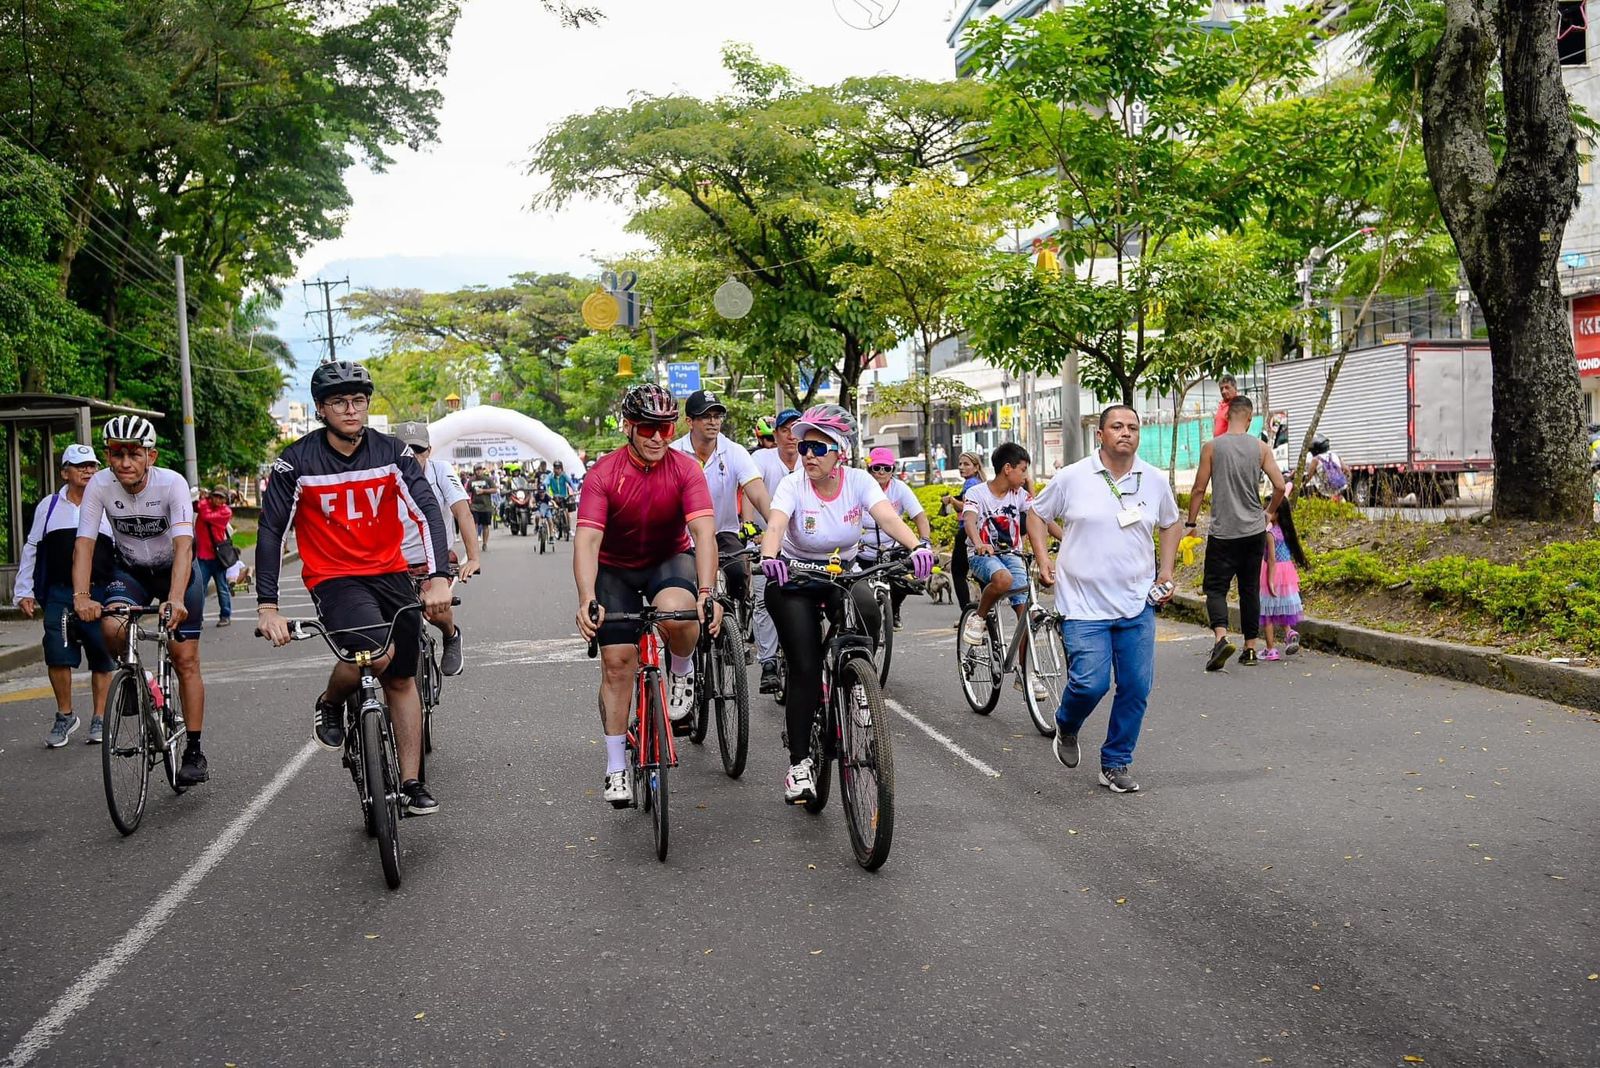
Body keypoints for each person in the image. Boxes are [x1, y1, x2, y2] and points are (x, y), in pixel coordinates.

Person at [256, 362, 453, 815]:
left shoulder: (393, 452)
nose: (351, 409)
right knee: (374, 656)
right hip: (335, 579)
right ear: (322, 409)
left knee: (401, 677)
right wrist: (268, 605)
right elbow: (270, 531)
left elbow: (425, 508)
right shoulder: (296, 461)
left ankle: (410, 782)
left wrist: (438, 576)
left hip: (390, 575)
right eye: (340, 402)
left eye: (359, 400)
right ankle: (330, 701)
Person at [759, 405, 934, 804]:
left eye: (818, 448)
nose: (807, 456)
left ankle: (857, 680)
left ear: (840, 451)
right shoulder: (792, 484)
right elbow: (775, 526)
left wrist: (917, 545)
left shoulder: (858, 481)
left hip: (843, 573)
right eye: (803, 447)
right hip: (794, 578)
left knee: (869, 606)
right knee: (804, 668)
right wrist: (771, 558)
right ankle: (800, 764)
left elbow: (888, 517)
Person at [574, 384, 722, 806]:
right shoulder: (603, 474)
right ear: (628, 427)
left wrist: (707, 591)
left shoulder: (686, 469)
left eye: (665, 427)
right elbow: (587, 541)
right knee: (618, 665)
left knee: (680, 614)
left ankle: (681, 670)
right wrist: (587, 597)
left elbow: (703, 533)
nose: (658, 437)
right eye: (647, 428)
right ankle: (616, 766)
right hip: (615, 569)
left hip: (667, 560)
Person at [1025, 405, 1181, 794]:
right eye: (1116, 426)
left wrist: (1166, 572)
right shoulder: (1072, 477)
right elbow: (1035, 514)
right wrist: (1044, 559)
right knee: (1090, 684)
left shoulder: (1155, 480)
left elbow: (1171, 522)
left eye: (1132, 427)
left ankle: (1115, 762)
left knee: (1135, 687)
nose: (1125, 433)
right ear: (1101, 434)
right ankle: (1068, 722)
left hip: (1136, 602)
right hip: (1082, 604)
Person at [72, 417, 212, 786]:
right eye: (117, 454)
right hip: (130, 570)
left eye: (134, 453)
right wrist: (82, 596)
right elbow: (84, 543)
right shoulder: (100, 485)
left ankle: (194, 751)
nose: (125, 462)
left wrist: (177, 598)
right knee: (111, 627)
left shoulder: (172, 484)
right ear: (108, 455)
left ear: (151, 455)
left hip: (174, 572)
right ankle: (136, 678)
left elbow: (184, 546)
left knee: (185, 660)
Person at [14, 444, 116, 747]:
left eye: (92, 466)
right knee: (57, 652)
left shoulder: (108, 502)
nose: (87, 470)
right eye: (80, 465)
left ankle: (100, 717)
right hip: (59, 592)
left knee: (102, 653)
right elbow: (32, 546)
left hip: (100, 589)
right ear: (64, 472)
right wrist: (24, 590)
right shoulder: (49, 505)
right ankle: (65, 715)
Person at [1186, 395, 1287, 670]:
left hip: (1223, 533)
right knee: (1249, 589)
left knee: (1216, 589)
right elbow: (1279, 486)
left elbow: (1198, 489)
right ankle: (1251, 649)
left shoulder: (1212, 447)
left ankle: (1221, 639)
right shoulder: (1261, 447)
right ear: (1250, 419)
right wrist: (1268, 513)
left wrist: (1191, 523)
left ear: (1227, 416)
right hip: (1254, 531)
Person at [670, 389, 772, 623]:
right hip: (683, 537)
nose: (713, 422)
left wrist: (776, 530)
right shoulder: (674, 454)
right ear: (689, 422)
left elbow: (757, 492)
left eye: (717, 416)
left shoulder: (734, 451)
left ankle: (735, 624)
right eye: (706, 416)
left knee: (737, 573)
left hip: (723, 532)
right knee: (685, 588)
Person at [960, 442, 1051, 702]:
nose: (1026, 476)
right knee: (1003, 579)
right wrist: (978, 543)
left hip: (1012, 555)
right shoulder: (977, 492)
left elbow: (1042, 518)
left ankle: (1026, 674)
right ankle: (978, 617)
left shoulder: (1019, 495)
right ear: (1007, 469)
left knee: (1026, 615)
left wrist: (1067, 539)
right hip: (981, 555)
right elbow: (968, 520)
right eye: (1023, 471)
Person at [393, 421, 479, 676]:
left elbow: (462, 513)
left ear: (428, 450)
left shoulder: (441, 471)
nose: (413, 457)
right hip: (393, 563)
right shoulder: (384, 474)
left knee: (434, 611)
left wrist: (473, 557)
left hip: (434, 562)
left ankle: (451, 636)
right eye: (406, 451)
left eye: (418, 451)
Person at [750, 408, 802, 693]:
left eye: (797, 430)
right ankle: (768, 661)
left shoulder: (812, 458)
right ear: (777, 435)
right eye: (785, 430)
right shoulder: (761, 459)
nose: (792, 436)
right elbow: (749, 490)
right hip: (765, 541)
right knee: (763, 600)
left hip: (802, 546)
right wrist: (749, 527)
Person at [860, 447, 933, 630]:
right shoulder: (859, 486)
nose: (881, 472)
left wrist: (924, 542)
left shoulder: (900, 488)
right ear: (870, 470)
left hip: (892, 546)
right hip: (863, 547)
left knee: (905, 581)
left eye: (886, 468)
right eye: (877, 468)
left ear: (893, 470)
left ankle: (894, 607)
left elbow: (919, 517)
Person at [1259, 493, 1308, 661]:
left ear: (1277, 513)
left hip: (1273, 572)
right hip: (1287, 572)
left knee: (1267, 611)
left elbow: (1271, 559)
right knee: (1282, 605)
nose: (1265, 512)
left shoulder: (1270, 534)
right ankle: (1289, 632)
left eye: (1268, 509)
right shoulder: (1287, 532)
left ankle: (1270, 649)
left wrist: (1270, 580)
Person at [939, 451, 984, 619]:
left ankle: (968, 614)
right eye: (960, 464)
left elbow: (964, 507)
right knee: (978, 571)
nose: (962, 468)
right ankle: (985, 611)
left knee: (958, 572)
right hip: (979, 532)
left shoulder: (971, 483)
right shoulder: (979, 483)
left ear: (976, 466)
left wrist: (951, 500)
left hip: (967, 531)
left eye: (966, 464)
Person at [193, 485, 235, 628]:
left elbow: (205, 516)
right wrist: (204, 499)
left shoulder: (225, 512)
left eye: (221, 497)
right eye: (215, 496)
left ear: (225, 500)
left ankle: (225, 615)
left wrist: (204, 500)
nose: (217, 499)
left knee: (222, 588)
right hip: (202, 556)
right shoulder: (204, 505)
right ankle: (197, 618)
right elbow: (199, 506)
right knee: (199, 589)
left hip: (218, 557)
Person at [1306, 434, 1348, 500]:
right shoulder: (1335, 455)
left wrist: (1302, 485)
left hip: (1324, 493)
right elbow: (1346, 470)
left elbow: (1309, 476)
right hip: (1340, 490)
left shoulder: (1316, 460)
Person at [467, 466, 496, 551]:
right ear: (474, 471)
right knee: (474, 525)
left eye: (480, 470)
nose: (478, 472)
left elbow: (494, 489)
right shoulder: (471, 480)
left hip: (486, 506)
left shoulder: (488, 480)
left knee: (485, 526)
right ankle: (475, 544)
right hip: (475, 506)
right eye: (477, 470)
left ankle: (485, 543)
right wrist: (468, 501)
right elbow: (467, 491)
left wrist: (484, 491)